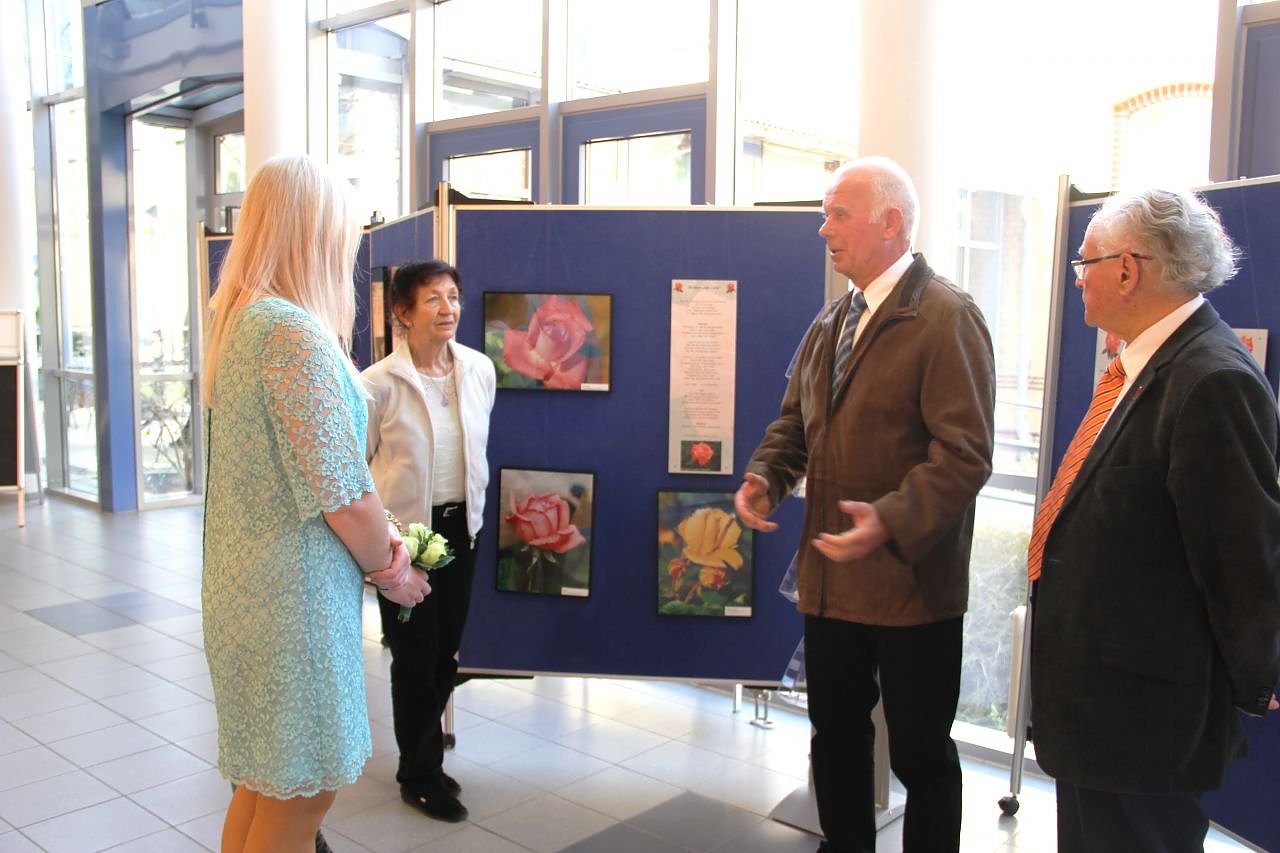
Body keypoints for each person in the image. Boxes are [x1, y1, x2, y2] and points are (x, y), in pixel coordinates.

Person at [735, 156, 996, 853]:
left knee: (920, 754)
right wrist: (765, 476)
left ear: (890, 221)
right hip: (833, 583)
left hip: (913, 587)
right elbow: (795, 423)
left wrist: (889, 519)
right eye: (826, 214)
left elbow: (964, 455)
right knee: (836, 738)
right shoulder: (832, 321)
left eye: (838, 215)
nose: (824, 229)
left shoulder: (946, 317)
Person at [1029, 188, 1280, 851]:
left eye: (1085, 262)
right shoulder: (1147, 366)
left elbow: (1242, 550)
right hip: (1101, 707)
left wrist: (1259, 670)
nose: (1077, 278)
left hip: (1144, 719)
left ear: (1126, 270)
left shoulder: (1211, 379)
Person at [202, 154, 430, 853]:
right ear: (315, 233)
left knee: (266, 787)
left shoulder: (239, 322)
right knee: (301, 793)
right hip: (292, 602)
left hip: (247, 589)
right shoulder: (290, 332)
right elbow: (344, 494)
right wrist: (393, 568)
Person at [363, 259, 496, 822]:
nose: (448, 309)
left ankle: (425, 759)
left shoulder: (478, 369)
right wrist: (379, 545)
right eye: (433, 299)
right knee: (414, 657)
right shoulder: (378, 384)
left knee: (445, 655)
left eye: (453, 297)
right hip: (406, 537)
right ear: (403, 312)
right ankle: (418, 774)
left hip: (462, 528)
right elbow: (358, 468)